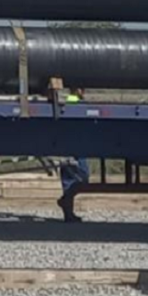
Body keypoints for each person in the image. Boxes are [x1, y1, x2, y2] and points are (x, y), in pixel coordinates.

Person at [57, 88, 89, 223]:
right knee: (77, 176)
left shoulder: (68, 101)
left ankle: (67, 208)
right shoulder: (71, 100)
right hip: (72, 141)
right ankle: (67, 209)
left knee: (76, 178)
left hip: (72, 141)